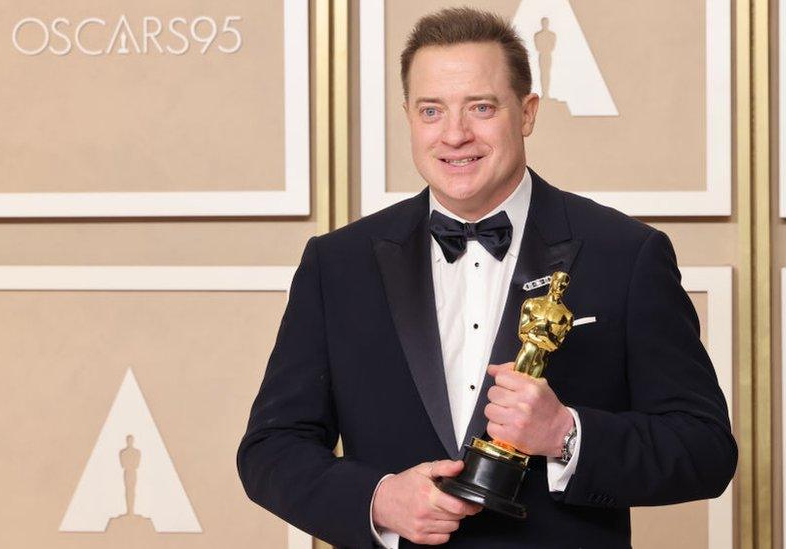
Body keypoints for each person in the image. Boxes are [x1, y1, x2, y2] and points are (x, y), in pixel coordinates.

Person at [237, 7, 736, 548]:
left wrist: (566, 435)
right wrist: (378, 499)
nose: (455, 135)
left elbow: (706, 450)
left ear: (526, 113)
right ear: (408, 115)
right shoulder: (336, 264)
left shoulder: (627, 254)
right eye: (432, 111)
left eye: (480, 107)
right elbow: (271, 448)